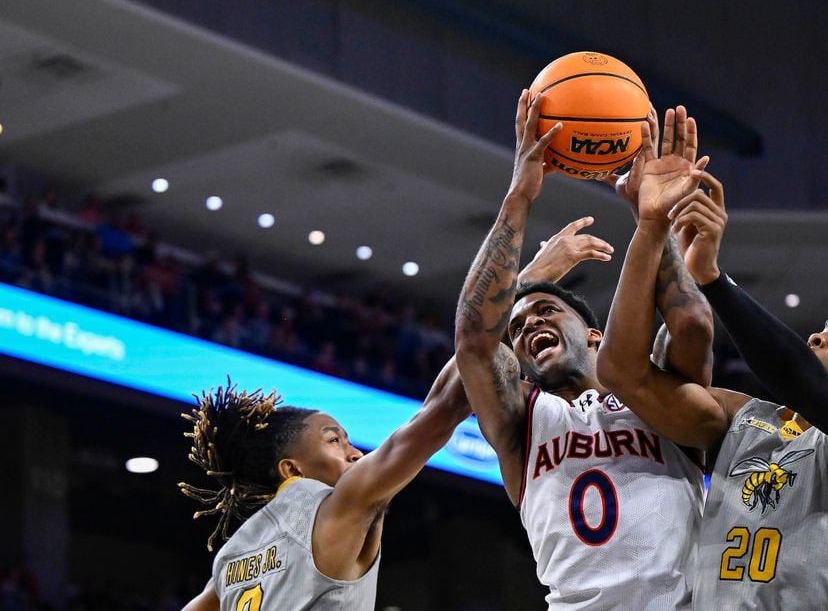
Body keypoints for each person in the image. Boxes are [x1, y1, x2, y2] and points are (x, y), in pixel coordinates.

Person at [596, 123, 828, 609]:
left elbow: (804, 381)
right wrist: (650, 229)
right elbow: (621, 373)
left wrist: (710, 277)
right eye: (824, 327)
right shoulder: (742, 418)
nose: (817, 334)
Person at [178, 217, 616, 611]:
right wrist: (533, 279)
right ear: (292, 468)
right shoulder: (335, 507)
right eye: (334, 440)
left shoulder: (233, 558)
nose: (354, 453)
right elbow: (445, 405)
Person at [453, 93, 714, 609]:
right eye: (520, 326)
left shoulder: (654, 395)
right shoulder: (519, 423)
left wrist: (653, 219)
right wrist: (519, 196)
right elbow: (472, 337)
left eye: (548, 311)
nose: (530, 325)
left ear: (594, 335)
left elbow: (692, 323)